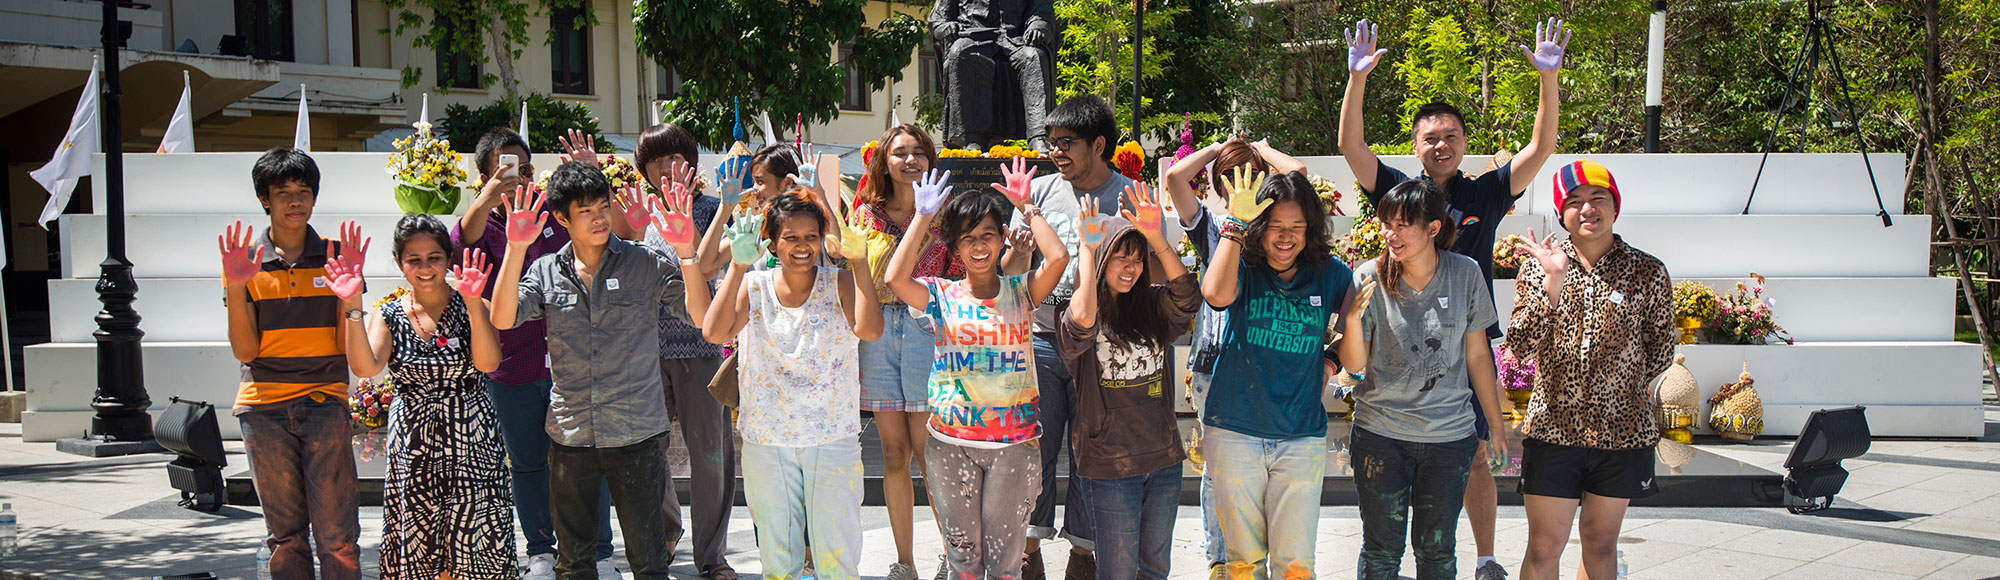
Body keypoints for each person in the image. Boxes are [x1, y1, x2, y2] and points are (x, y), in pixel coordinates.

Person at [1339, 19, 1571, 580]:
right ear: (1416, 146)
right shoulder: (1398, 190)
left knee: (1473, 457)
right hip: (1398, 342)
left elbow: (1542, 146)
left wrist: (1549, 79)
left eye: (1449, 135)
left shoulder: (1486, 191)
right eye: (1429, 137)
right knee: (1393, 524)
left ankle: (1486, 557)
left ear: (1463, 143)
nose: (1440, 144)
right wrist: (1357, 78)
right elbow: (1350, 145)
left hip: (1465, 339)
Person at [489, 163, 699, 580]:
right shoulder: (546, 271)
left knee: (649, 561)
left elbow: (698, 316)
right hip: (572, 436)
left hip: (636, 433)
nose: (601, 217)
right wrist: (515, 248)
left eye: (604, 206)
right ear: (562, 218)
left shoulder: (644, 262)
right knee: (575, 563)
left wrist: (688, 253)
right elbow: (503, 316)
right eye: (586, 211)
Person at [1009, 95, 1183, 580]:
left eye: (1066, 143)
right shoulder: (1037, 193)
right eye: (1051, 143)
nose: (1055, 152)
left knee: (1094, 451)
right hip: (1044, 339)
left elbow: (1151, 275)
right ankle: (1029, 547)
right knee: (1037, 449)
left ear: (1099, 144)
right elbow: (1010, 272)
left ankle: (1084, 552)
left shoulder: (1132, 197)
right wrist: (1019, 253)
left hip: (1106, 352)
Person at [683, 190, 884, 580]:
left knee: (837, 553)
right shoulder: (753, 285)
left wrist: (860, 263)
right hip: (766, 437)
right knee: (777, 556)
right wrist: (738, 268)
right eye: (790, 237)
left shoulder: (840, 281)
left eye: (811, 236)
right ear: (772, 242)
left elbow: (870, 330)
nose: (802, 246)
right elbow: (714, 330)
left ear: (824, 239)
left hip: (832, 438)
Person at [884, 161, 1068, 580]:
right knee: (963, 563)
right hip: (951, 445)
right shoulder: (939, 295)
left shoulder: (1021, 292)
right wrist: (923, 216)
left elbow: (1057, 258)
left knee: (1005, 566)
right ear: (955, 247)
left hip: (1014, 447)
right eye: (968, 239)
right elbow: (895, 277)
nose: (979, 246)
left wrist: (1027, 205)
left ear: (1003, 237)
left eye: (988, 235)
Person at [456, 129, 620, 580]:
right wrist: (490, 197)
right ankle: (541, 553)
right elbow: (461, 242)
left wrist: (594, 170)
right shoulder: (484, 224)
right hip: (515, 366)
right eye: (503, 170)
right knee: (528, 464)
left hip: (574, 362)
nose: (516, 177)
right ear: (485, 176)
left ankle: (600, 552)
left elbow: (603, 231)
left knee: (589, 460)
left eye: (524, 169)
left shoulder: (554, 215)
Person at [1507, 161, 1673, 580]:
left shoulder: (1648, 271)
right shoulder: (1538, 268)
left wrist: (1618, 380)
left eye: (1597, 198)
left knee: (1600, 542)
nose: (1587, 209)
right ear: (1561, 214)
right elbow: (1521, 348)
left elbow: (1661, 350)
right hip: (1553, 431)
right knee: (1544, 547)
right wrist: (1553, 285)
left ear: (1615, 207)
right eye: (1574, 201)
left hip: (1623, 432)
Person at [1336, 180, 1510, 580]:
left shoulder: (1465, 273)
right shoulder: (1368, 276)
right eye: (1385, 225)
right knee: (1381, 551)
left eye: (1401, 225)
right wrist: (1350, 323)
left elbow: (1479, 355)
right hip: (1380, 433)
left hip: (1448, 438)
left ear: (1433, 228)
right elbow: (1355, 369)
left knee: (1436, 551)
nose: (1389, 235)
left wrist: (1496, 426)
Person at [326, 215, 516, 579]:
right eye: (414, 259)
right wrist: (351, 304)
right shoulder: (389, 314)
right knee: (420, 539)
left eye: (435, 257)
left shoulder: (472, 302)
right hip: (414, 442)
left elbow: (488, 362)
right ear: (400, 264)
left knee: (476, 537)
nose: (425, 267)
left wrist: (475, 304)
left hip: (472, 437)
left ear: (448, 259)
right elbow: (367, 367)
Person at [1160, 138, 1305, 580]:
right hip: (1215, 362)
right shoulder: (1210, 226)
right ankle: (1221, 559)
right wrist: (1218, 148)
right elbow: (1173, 178)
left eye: (1248, 174)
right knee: (1217, 469)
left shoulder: (1271, 223)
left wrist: (1260, 148)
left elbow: (1297, 172)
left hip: (1265, 361)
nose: (1235, 182)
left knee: (1265, 464)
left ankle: (1256, 554)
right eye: (1227, 176)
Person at [216, 148, 364, 580]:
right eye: (284, 193)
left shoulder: (339, 255)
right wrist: (238, 286)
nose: (295, 201)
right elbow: (245, 352)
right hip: (263, 406)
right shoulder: (244, 261)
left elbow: (343, 345)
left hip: (324, 401)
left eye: (304, 192)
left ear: (315, 198)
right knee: (285, 537)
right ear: (265, 199)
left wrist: (348, 293)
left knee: (338, 537)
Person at [1197, 168, 1351, 580]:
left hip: (1301, 435)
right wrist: (1235, 225)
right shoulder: (1244, 266)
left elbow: (1356, 332)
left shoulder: (1331, 273)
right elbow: (1214, 294)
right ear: (1260, 227)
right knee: (1243, 564)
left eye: (1298, 227)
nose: (1286, 238)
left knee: (1296, 565)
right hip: (1234, 431)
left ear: (1311, 229)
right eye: (1276, 227)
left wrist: (1329, 362)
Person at [1057, 184, 1199, 580]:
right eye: (1118, 258)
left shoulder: (1153, 304)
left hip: (1162, 459)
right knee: (1117, 573)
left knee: (1154, 570)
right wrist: (1087, 251)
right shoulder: (1080, 309)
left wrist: (1157, 237)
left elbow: (1188, 298)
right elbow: (1082, 321)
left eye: (1136, 260)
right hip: (1109, 464)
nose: (1129, 268)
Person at [851, 125, 964, 580]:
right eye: (901, 152)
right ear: (884, 160)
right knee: (893, 453)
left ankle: (950, 556)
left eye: (920, 152)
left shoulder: (944, 210)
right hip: (878, 333)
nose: (911, 159)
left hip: (926, 333)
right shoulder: (866, 212)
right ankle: (905, 562)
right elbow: (851, 265)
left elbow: (958, 272)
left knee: (927, 452)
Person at [632, 124, 741, 580]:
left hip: (702, 349)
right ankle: (666, 532)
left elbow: (716, 266)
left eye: (674, 157)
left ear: (691, 163)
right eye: (655, 160)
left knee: (710, 457)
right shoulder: (638, 214)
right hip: (646, 353)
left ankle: (712, 555)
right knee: (647, 451)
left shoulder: (714, 209)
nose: (666, 167)